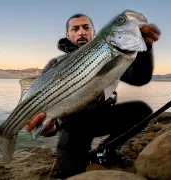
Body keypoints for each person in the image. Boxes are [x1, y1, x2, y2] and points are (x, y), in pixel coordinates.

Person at [25, 13, 161, 179]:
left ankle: (106, 149)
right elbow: (47, 108)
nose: (81, 32)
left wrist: (145, 49)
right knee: (69, 174)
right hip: (73, 126)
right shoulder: (55, 65)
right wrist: (49, 128)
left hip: (103, 116)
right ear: (68, 35)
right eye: (75, 28)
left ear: (93, 32)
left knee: (141, 110)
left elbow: (139, 79)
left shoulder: (113, 53)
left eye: (86, 27)